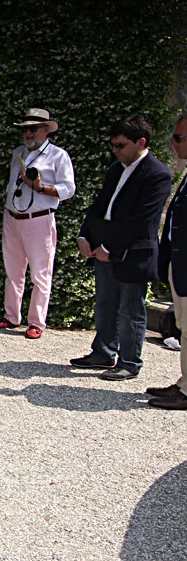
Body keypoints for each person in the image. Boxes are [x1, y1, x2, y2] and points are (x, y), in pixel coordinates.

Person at [68, 115, 171, 380]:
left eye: (120, 145)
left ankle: (129, 361)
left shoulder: (157, 174)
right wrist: (84, 235)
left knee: (130, 310)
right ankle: (103, 352)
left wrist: (109, 247)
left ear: (141, 142)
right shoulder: (116, 169)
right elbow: (100, 204)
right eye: (112, 145)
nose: (115, 150)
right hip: (104, 247)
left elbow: (141, 220)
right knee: (105, 303)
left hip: (133, 253)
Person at [0, 108, 76, 339]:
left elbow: (69, 189)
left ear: (45, 130)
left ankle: (37, 322)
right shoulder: (18, 152)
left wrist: (41, 188)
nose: (28, 133)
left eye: (33, 128)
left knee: (40, 274)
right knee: (12, 271)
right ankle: (11, 316)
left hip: (38, 219)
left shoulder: (58, 155)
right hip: (12, 218)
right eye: (25, 129)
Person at [147, 114, 187, 408]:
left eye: (179, 138)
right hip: (179, 261)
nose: (173, 144)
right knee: (184, 326)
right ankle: (184, 383)